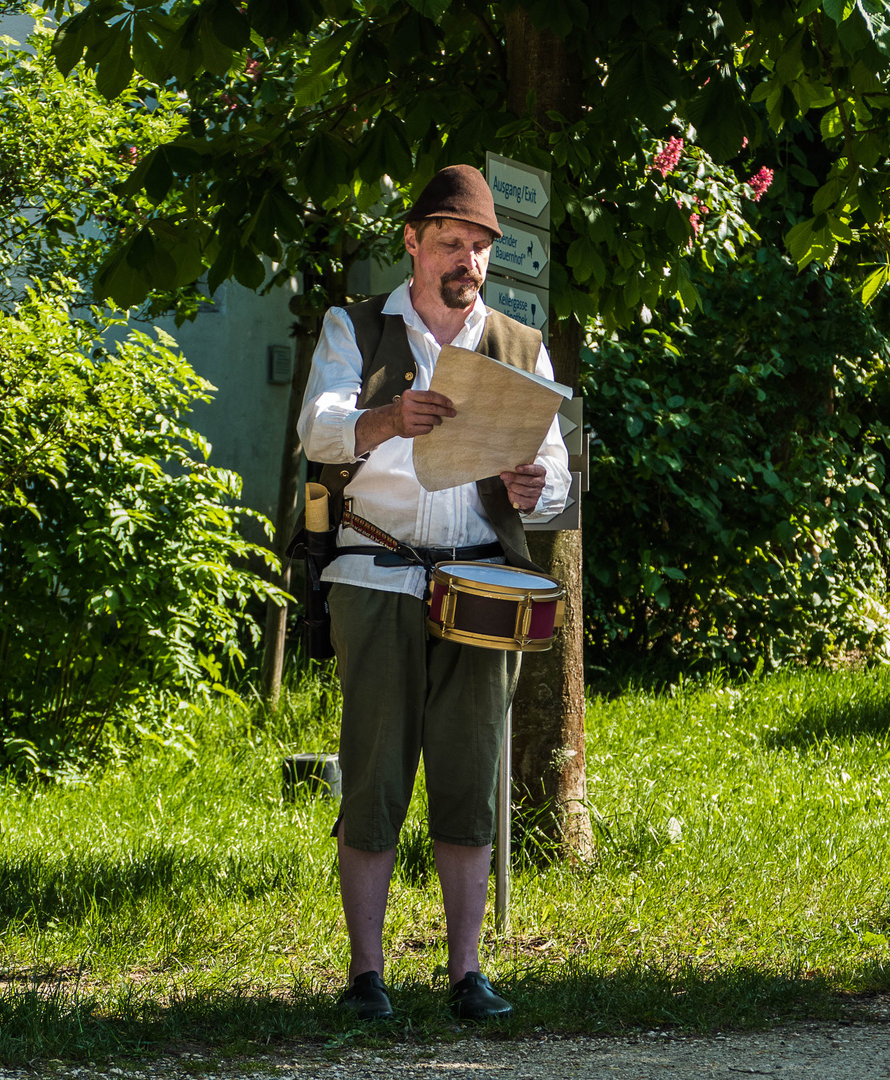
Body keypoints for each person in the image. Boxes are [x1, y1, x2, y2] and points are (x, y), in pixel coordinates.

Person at [297, 164, 571, 1021]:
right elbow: (317, 431)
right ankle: (366, 977)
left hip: (482, 580)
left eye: (480, 246)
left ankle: (465, 973)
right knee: (376, 772)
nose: (467, 260)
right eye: (450, 242)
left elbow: (559, 480)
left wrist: (536, 490)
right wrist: (386, 419)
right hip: (373, 572)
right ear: (412, 241)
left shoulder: (520, 345)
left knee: (468, 770)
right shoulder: (355, 327)